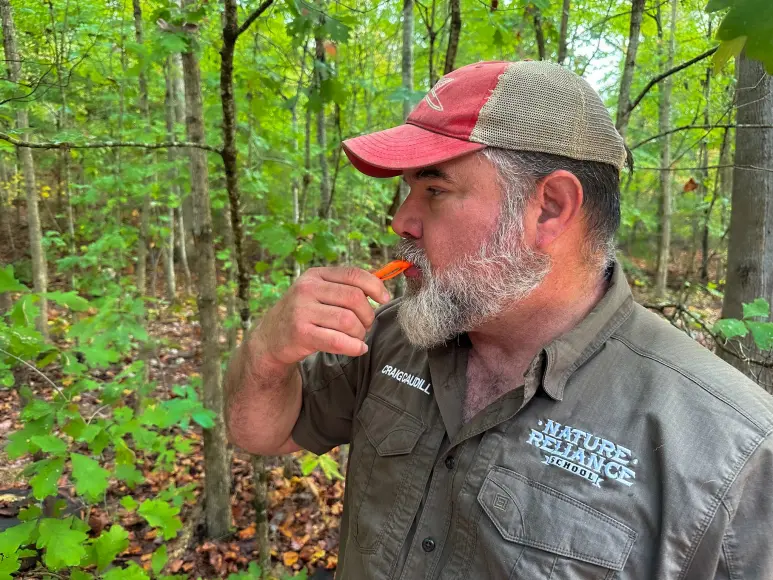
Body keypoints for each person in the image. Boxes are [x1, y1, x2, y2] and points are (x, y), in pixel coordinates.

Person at [224, 61, 773, 579]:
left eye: (434, 190)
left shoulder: (732, 451)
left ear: (550, 208)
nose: (402, 221)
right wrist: (265, 355)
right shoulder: (394, 336)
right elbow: (263, 431)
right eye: (407, 190)